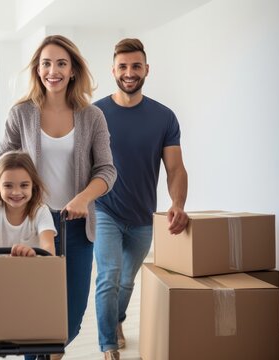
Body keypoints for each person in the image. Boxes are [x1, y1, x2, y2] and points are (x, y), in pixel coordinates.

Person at [0, 35, 117, 359]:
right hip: (31, 227)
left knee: (71, 320)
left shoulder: (92, 117)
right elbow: (2, 161)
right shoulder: (21, 113)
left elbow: (107, 170)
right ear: (37, 69)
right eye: (46, 63)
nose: (53, 70)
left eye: (61, 63)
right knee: (34, 313)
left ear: (73, 69)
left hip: (75, 227)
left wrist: (83, 198)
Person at [93, 38, 189, 360]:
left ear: (147, 69)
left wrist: (177, 205)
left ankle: (117, 320)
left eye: (136, 66)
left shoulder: (164, 117)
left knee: (126, 283)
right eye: (123, 66)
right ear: (113, 71)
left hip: (143, 216)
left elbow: (175, 169)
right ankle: (108, 347)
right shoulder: (95, 113)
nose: (129, 72)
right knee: (108, 277)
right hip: (104, 210)